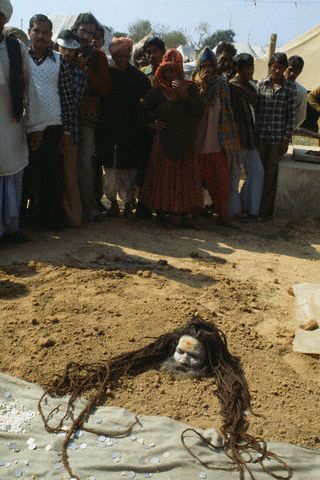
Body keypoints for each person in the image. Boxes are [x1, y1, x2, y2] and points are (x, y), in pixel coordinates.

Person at [139, 49, 204, 228]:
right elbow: (142, 113)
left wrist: (185, 95)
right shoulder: (156, 91)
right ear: (161, 71)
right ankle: (163, 212)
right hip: (164, 143)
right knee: (164, 179)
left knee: (184, 180)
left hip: (185, 142)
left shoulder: (190, 88)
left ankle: (185, 213)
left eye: (174, 70)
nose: (170, 74)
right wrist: (152, 125)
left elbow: (199, 110)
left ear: (180, 70)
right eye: (166, 70)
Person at [24, 14, 75, 230]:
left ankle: (48, 220)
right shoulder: (19, 58)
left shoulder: (59, 60)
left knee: (51, 174)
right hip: (23, 127)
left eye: (45, 32)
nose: (41, 36)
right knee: (25, 175)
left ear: (51, 35)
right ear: (29, 32)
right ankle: (20, 221)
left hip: (53, 126)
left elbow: (67, 98)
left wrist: (67, 132)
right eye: (36, 31)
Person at [0, 0, 43, 242]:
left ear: (5, 19)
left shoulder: (16, 48)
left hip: (11, 123)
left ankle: (11, 228)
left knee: (13, 173)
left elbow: (30, 88)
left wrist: (35, 125)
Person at [96, 37, 150, 218]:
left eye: (127, 54)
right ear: (114, 55)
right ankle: (112, 204)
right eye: (120, 55)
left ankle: (128, 204)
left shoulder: (139, 78)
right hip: (109, 130)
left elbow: (146, 104)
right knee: (110, 170)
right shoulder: (107, 76)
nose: (123, 58)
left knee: (129, 170)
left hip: (132, 131)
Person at [71, 13, 111, 222]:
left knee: (85, 163)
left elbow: (105, 88)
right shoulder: (64, 49)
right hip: (65, 114)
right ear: (76, 29)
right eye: (83, 31)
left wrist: (85, 70)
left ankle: (90, 208)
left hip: (87, 117)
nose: (86, 36)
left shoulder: (98, 56)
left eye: (91, 33)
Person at [193, 47, 239, 225]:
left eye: (209, 65)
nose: (207, 69)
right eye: (203, 66)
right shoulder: (193, 84)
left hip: (217, 142)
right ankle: (194, 214)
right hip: (197, 142)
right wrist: (202, 87)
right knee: (195, 181)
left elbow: (226, 111)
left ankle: (223, 215)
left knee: (222, 181)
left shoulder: (221, 83)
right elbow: (195, 108)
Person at [256, 52, 297, 219]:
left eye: (281, 67)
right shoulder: (260, 85)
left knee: (271, 174)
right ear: (270, 66)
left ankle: (264, 212)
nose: (277, 70)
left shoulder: (290, 89)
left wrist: (286, 139)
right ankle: (253, 208)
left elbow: (291, 116)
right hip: (260, 137)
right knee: (258, 172)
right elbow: (256, 110)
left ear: (285, 69)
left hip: (276, 139)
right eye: (274, 67)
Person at [229, 53, 264, 219]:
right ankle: (233, 211)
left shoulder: (251, 87)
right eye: (248, 67)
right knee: (234, 176)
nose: (252, 70)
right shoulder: (231, 87)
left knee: (257, 171)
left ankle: (250, 209)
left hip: (251, 137)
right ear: (238, 69)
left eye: (252, 67)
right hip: (237, 137)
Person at [56, 29, 86, 227]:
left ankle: (74, 218)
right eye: (64, 48)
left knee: (69, 177)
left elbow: (72, 103)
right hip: (48, 128)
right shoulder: (50, 65)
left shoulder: (79, 74)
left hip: (69, 130)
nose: (67, 53)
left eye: (71, 49)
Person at [285, 55, 307, 128]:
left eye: (296, 72)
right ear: (285, 67)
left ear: (300, 72)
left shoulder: (301, 92)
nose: (292, 74)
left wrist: (289, 129)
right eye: (290, 70)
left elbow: (300, 117)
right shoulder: (271, 85)